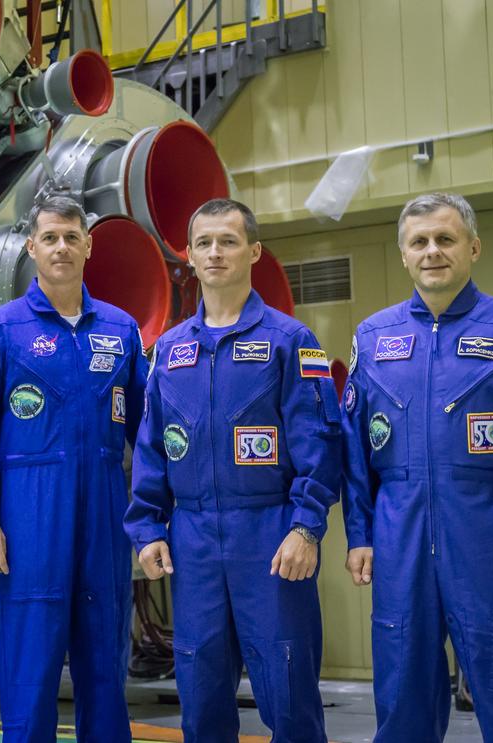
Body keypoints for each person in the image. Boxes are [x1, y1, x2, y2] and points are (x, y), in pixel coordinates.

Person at [342, 192, 493, 742]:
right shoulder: (374, 338)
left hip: (491, 536)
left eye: (445, 239)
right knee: (402, 698)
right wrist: (360, 533)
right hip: (399, 535)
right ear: (403, 254)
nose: (432, 251)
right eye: (419, 241)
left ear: (473, 247)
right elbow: (354, 449)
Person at [124, 199, 338, 742]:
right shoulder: (169, 351)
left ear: (254, 251)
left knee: (289, 695)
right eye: (204, 243)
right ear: (189, 256)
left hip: (270, 535)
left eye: (228, 241)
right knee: (200, 698)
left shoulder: (291, 341)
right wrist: (147, 528)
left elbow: (319, 444)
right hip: (193, 541)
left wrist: (306, 527)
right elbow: (152, 447)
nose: (215, 252)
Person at [0, 195, 147, 741]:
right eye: (50, 238)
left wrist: (153, 515)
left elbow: (150, 433)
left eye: (71, 237)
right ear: (31, 247)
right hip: (30, 515)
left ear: (88, 245)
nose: (61, 247)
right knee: (29, 670)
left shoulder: (121, 330)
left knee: (105, 668)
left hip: (105, 514)